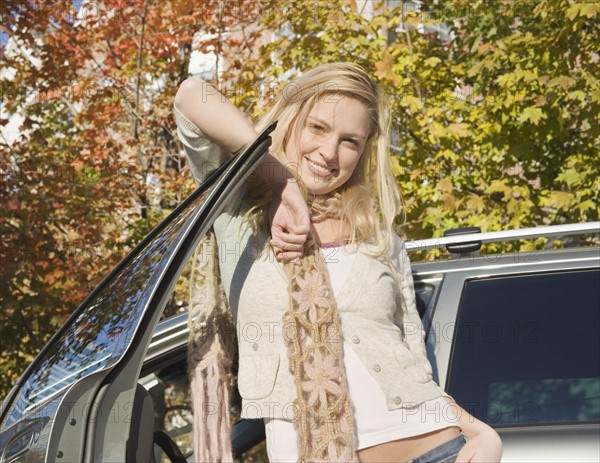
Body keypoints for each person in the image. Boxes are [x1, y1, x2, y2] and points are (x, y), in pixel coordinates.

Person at [174, 63, 502, 463]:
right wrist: (281, 180)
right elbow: (191, 97)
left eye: (350, 141)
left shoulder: (380, 239)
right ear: (290, 120)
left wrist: (481, 433)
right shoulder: (236, 210)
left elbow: (414, 364)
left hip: (436, 449)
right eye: (318, 128)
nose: (329, 153)